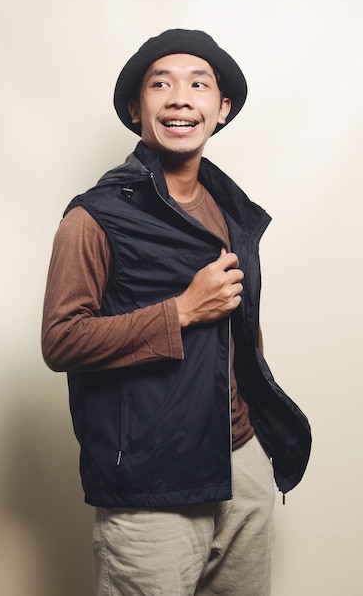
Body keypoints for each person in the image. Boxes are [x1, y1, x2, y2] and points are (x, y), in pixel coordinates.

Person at [42, 29, 311, 596]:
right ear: (137, 111)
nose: (181, 98)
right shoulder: (95, 217)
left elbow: (243, 321)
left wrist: (258, 433)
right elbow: (61, 340)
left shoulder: (231, 208)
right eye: (160, 85)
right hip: (151, 484)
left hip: (243, 466)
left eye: (198, 84)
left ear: (221, 109)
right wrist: (182, 311)